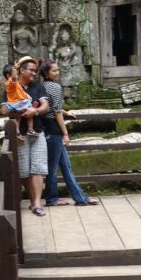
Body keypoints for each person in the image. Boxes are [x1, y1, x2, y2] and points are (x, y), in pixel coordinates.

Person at [39, 59, 98, 207]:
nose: (57, 73)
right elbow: (56, 112)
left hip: (46, 128)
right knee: (53, 167)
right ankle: (52, 199)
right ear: (46, 72)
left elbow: (52, 107)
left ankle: (80, 198)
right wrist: (65, 133)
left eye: (58, 70)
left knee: (65, 166)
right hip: (53, 130)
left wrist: (66, 112)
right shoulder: (55, 87)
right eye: (54, 70)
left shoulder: (42, 86)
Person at [0, 56, 50, 217]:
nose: (34, 73)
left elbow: (45, 106)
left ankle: (37, 203)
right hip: (19, 134)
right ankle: (32, 200)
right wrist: (22, 111)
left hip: (37, 131)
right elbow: (4, 110)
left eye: (35, 71)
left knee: (38, 167)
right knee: (24, 169)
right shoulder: (11, 86)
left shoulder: (38, 87)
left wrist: (34, 111)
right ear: (22, 70)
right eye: (31, 70)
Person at [1, 63, 34, 133]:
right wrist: (15, 68)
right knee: (29, 113)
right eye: (16, 74)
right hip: (17, 103)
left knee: (18, 117)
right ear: (8, 76)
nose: (18, 76)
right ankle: (30, 129)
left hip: (17, 102)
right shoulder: (11, 83)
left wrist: (27, 96)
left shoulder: (16, 84)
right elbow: (14, 78)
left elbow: (20, 92)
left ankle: (18, 131)